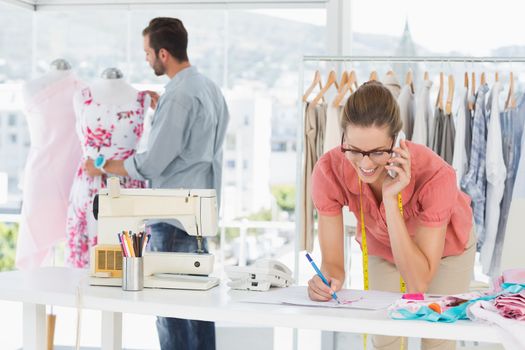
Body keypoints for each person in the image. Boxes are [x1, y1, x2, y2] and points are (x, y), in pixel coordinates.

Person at [85, 17, 229, 350]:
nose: (146, 59)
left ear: (163, 53)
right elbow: (198, 146)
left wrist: (104, 166)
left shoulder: (178, 96)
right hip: (199, 213)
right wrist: (162, 108)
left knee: (168, 309)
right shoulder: (209, 88)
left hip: (172, 214)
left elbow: (153, 162)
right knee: (199, 308)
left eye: (147, 52)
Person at [308, 81, 475, 350]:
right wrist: (326, 282)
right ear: (343, 138)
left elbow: (418, 282)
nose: (365, 164)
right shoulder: (329, 170)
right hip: (380, 243)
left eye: (376, 152)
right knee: (383, 332)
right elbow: (333, 266)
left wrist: (390, 197)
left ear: (396, 141)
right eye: (354, 150)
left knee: (435, 333)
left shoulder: (435, 176)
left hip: (447, 250)